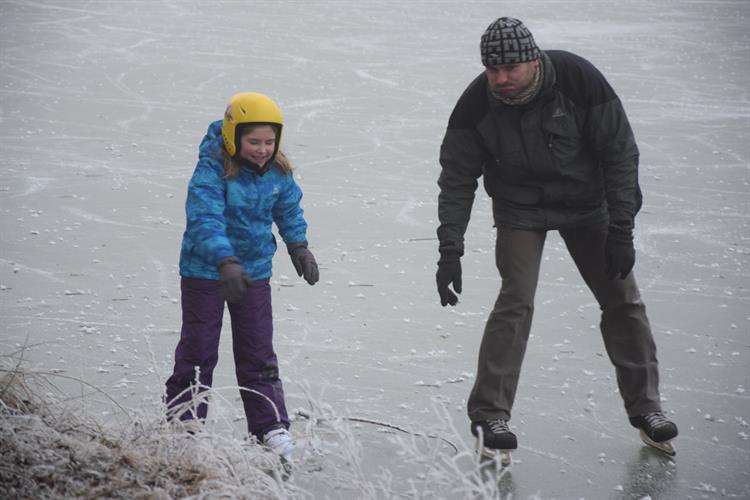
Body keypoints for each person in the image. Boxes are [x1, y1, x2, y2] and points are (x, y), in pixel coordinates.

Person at [435, 17, 678, 459]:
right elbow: (456, 178)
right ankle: (490, 414)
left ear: (534, 60)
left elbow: (620, 154)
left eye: (510, 68)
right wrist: (449, 249)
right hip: (520, 209)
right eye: (492, 69)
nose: (500, 78)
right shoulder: (476, 104)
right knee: (516, 299)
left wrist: (621, 228)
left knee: (622, 298)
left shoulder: (579, 81)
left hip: (590, 205)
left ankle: (648, 409)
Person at [165, 92, 319, 462]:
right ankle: (185, 428)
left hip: (254, 273)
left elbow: (288, 207)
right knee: (198, 352)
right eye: (254, 142)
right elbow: (204, 219)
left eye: (269, 141)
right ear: (234, 137)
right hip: (206, 273)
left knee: (258, 352)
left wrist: (298, 245)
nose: (263, 149)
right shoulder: (212, 170)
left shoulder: (278, 172)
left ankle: (269, 426)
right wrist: (224, 259)